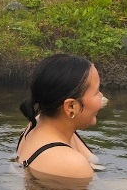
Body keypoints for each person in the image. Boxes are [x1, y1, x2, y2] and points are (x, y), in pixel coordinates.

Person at [16, 54, 105, 182]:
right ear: (71, 106)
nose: (102, 97)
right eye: (97, 92)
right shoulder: (71, 165)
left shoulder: (37, 124)